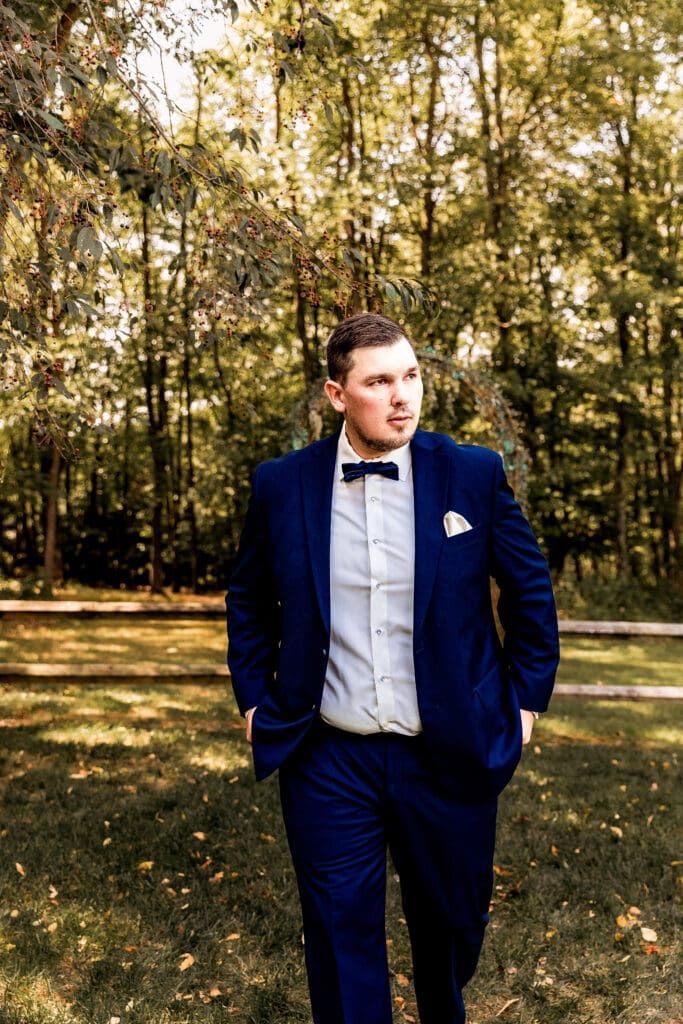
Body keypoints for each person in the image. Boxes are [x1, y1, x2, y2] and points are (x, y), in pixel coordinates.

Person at [226, 312, 559, 1024]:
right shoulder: (281, 485)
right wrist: (253, 699)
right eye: (379, 381)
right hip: (326, 753)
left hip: (447, 748)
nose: (401, 395)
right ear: (336, 394)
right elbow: (249, 599)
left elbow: (530, 595)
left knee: (452, 924)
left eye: (410, 376)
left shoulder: (471, 473)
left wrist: (524, 704)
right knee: (339, 931)